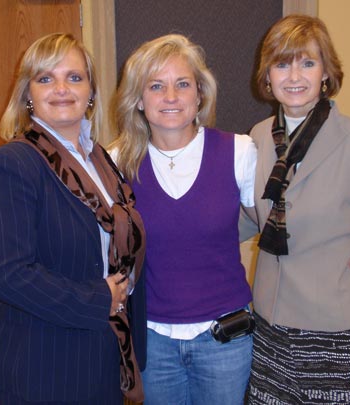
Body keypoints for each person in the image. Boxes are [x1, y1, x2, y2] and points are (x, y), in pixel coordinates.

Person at [0, 33, 146, 404]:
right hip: (43, 360)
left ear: (92, 92)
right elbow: (7, 273)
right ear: (27, 94)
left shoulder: (102, 161)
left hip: (101, 351)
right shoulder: (11, 164)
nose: (62, 89)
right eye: (46, 78)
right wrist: (99, 298)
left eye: (75, 77)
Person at [243, 14, 350, 405]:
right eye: (282, 63)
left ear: (326, 73)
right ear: (267, 76)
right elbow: (249, 217)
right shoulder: (259, 137)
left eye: (308, 62)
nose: (294, 75)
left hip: (338, 336)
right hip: (269, 329)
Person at [108, 34, 257, 405]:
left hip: (225, 337)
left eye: (182, 84)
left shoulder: (239, 151)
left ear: (200, 95)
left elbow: (279, 225)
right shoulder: (115, 162)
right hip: (152, 340)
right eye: (156, 86)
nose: (170, 97)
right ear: (139, 100)